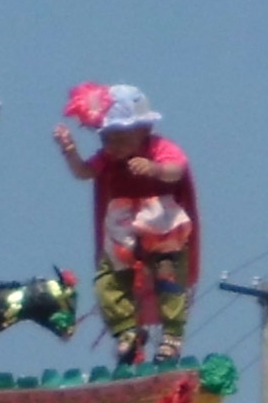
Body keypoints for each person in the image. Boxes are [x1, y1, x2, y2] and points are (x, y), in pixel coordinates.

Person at [55, 85, 198, 366]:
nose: (112, 145)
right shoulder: (107, 158)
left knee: (168, 275)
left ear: (143, 129)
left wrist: (155, 168)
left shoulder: (160, 148)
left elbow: (177, 169)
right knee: (108, 278)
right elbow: (84, 172)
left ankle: (172, 334)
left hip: (160, 221)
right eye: (107, 137)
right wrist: (70, 152)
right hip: (122, 225)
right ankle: (127, 331)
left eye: (120, 136)